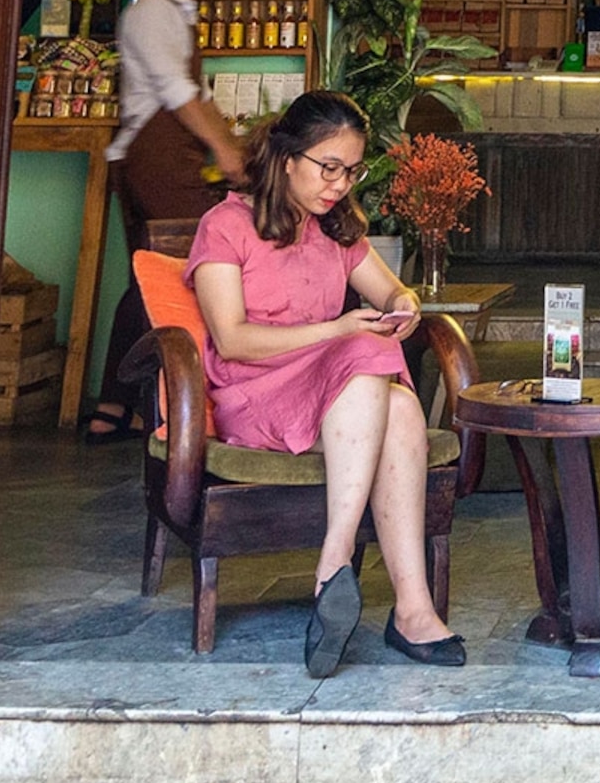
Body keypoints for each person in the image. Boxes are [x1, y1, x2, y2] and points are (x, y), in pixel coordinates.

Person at [186, 91, 466, 674]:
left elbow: (391, 291)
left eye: (351, 171)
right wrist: (335, 329)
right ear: (287, 158)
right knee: (370, 363)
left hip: (333, 397)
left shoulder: (336, 231)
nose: (338, 185)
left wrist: (404, 304)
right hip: (255, 391)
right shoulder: (226, 226)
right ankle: (346, 568)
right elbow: (233, 340)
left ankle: (399, 602)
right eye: (327, 168)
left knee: (400, 405)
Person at [85, 0, 251, 444]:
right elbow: (180, 95)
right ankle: (124, 402)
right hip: (151, 159)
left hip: (165, 159)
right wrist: (227, 149)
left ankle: (123, 404)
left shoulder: (175, 12)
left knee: (152, 279)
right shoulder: (154, 13)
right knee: (170, 271)